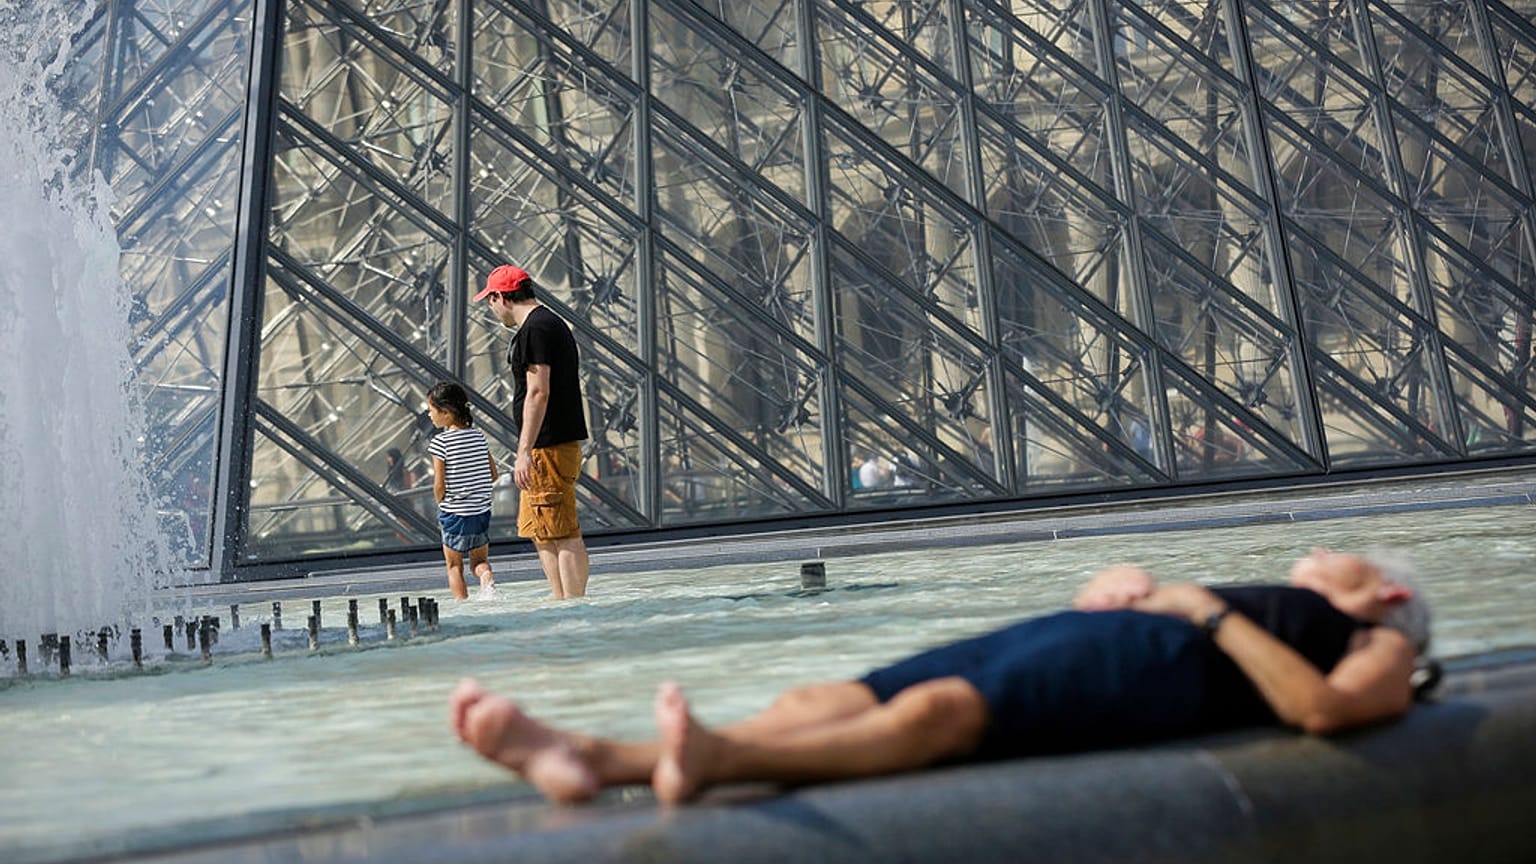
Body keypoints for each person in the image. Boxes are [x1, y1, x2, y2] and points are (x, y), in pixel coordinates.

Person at [448, 547, 1431, 804]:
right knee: (823, 700)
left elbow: (1326, 713)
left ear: (1385, 594)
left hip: (1159, 668)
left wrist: (1201, 609)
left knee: (945, 713)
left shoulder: (1375, 643)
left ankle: (711, 756)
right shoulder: (1302, 605)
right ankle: (587, 755)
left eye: (1336, 560)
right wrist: (1132, 583)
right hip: (1109, 634)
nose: (1312, 559)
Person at [475, 264, 591, 600]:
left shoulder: (536, 329)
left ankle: (571, 604)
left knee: (560, 529)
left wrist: (524, 450)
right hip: (550, 443)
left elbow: (538, 391)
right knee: (543, 529)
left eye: (490, 300)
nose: (491, 308)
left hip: (547, 445)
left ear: (502, 297)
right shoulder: (547, 324)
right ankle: (562, 599)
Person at [426, 382, 499, 601]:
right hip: (480, 511)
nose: (429, 415)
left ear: (446, 412)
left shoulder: (440, 442)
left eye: (431, 410)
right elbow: (493, 474)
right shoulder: (478, 436)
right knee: (479, 562)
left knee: (454, 566)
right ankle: (486, 578)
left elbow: (439, 485)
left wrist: (442, 502)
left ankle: (463, 605)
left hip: (454, 513)